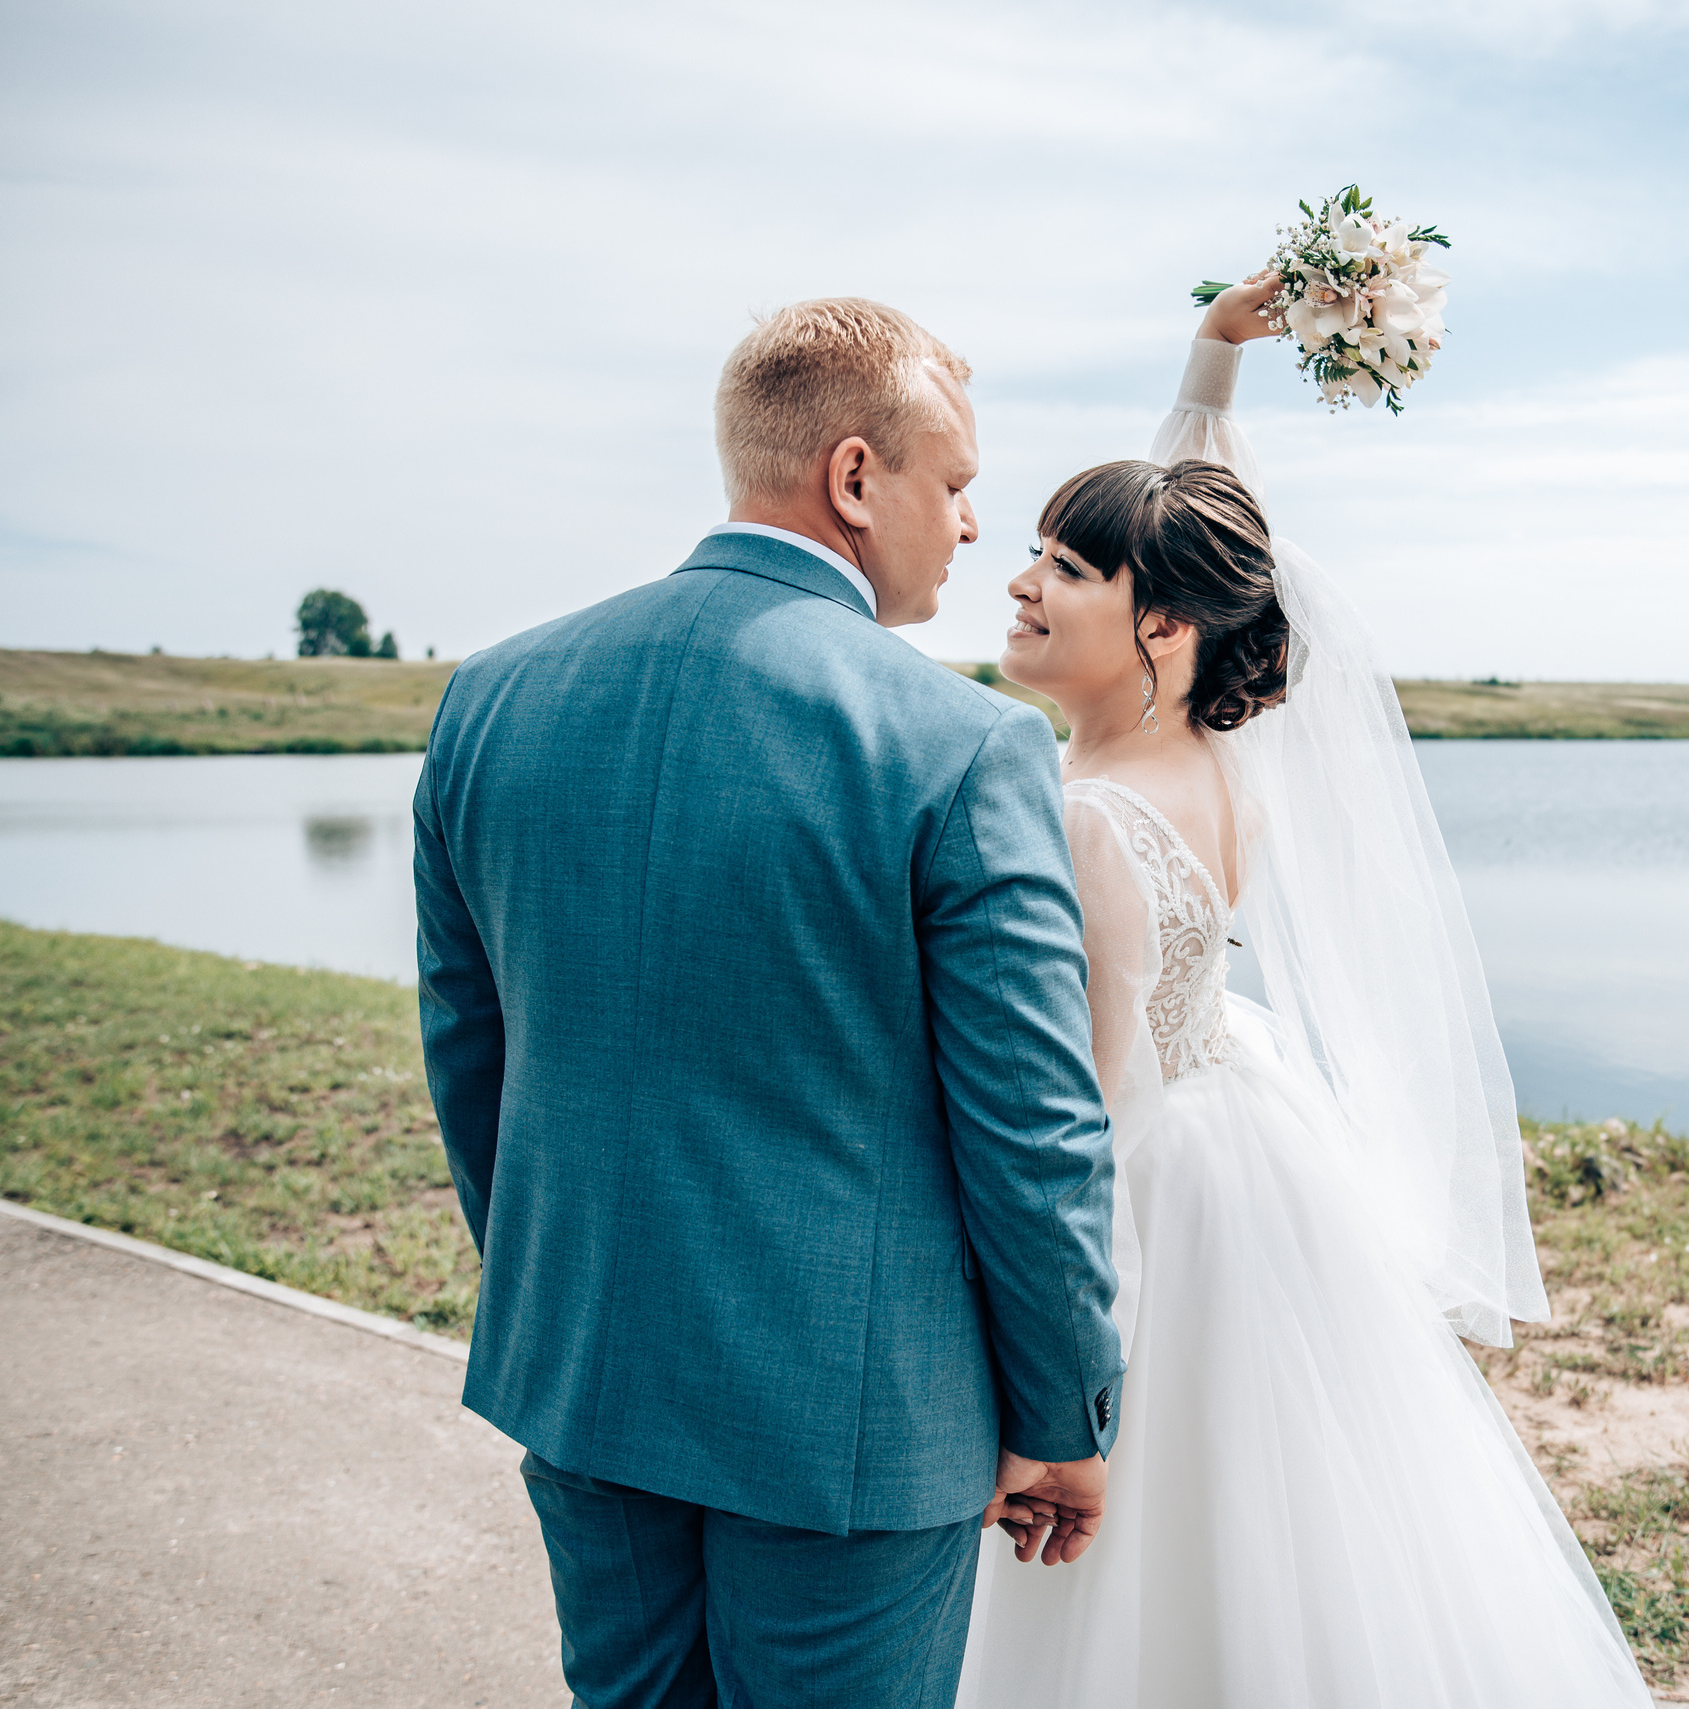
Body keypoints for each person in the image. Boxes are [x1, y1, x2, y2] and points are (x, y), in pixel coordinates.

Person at [954, 279, 1656, 1707]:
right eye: (1028, 551)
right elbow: (1202, 523)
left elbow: (1077, 1116)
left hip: (1153, 1192)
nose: (1020, 583)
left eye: (1061, 569)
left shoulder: (1086, 814)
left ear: (1160, 625)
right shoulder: (1215, 759)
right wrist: (1211, 361)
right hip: (1250, 1151)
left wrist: (1048, 1390)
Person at [414, 298, 1124, 1709]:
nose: (974, 529)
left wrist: (562, 1295)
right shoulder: (967, 744)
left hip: (585, 1372)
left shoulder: (489, 698)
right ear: (857, 479)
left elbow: (470, 1055)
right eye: (959, 485)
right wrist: (1059, 1410)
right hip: (852, 1427)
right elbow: (1036, 1129)